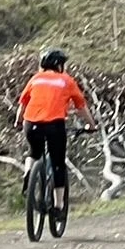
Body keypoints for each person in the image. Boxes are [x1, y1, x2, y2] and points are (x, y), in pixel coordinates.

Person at [15, 49, 95, 213]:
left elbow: (23, 104)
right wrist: (91, 125)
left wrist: (18, 121)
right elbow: (81, 107)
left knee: (33, 152)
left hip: (31, 124)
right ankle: (58, 206)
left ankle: (28, 173)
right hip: (54, 125)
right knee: (58, 162)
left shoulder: (35, 79)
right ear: (59, 65)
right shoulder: (66, 80)